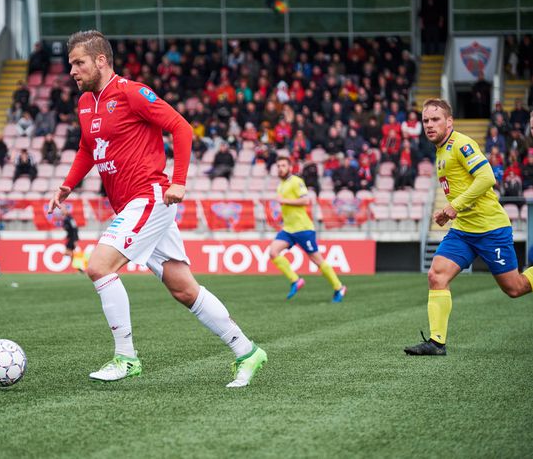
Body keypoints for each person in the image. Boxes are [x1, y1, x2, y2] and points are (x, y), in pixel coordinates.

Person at [48, 30, 266, 388]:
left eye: (79, 62)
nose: (72, 70)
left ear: (101, 60)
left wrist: (178, 180)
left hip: (149, 197)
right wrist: (68, 185)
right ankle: (248, 351)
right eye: (71, 63)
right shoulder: (87, 103)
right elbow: (88, 147)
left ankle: (126, 357)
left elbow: (181, 127)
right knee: (184, 289)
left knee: (99, 266)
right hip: (132, 205)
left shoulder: (132, 93)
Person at [404, 99, 533, 355]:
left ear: (449, 122)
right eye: (426, 121)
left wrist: (454, 206)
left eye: (435, 120)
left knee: (515, 288)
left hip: (490, 228)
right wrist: (448, 211)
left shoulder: (461, 143)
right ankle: (436, 342)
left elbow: (487, 177)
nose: (429, 125)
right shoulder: (440, 150)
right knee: (436, 275)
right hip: (463, 230)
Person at [267, 156, 348, 302]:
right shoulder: (281, 185)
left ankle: (339, 287)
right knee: (273, 252)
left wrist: (284, 201)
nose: (280, 168)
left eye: (283, 165)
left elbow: (306, 200)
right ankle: (295, 280)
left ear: (290, 168)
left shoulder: (296, 181)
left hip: (303, 229)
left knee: (317, 260)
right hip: (288, 229)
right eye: (278, 166)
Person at [61, 205, 85, 272]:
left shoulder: (70, 218)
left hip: (72, 238)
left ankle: (78, 265)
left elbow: (75, 229)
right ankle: (77, 267)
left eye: (64, 210)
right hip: (70, 238)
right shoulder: (65, 219)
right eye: (62, 210)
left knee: (67, 252)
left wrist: (75, 239)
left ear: (67, 211)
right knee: (69, 253)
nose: (62, 211)